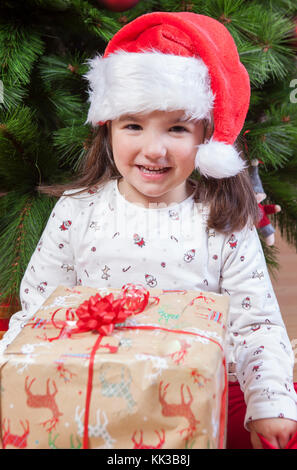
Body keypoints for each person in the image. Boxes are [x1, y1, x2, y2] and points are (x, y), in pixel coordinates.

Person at [1, 11, 297, 449]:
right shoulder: (77, 211)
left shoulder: (221, 220)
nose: (153, 149)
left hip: (204, 383)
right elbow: (40, 308)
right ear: (109, 131)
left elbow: (256, 325)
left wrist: (270, 404)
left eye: (177, 128)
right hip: (93, 379)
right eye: (133, 126)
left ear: (205, 136)